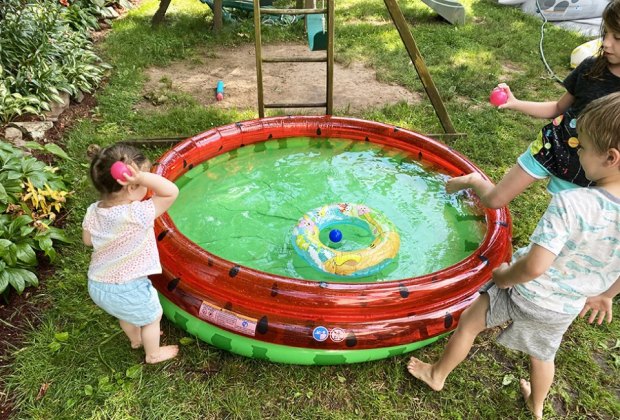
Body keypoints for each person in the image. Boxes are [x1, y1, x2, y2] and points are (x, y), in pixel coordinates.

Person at [407, 92, 620, 419]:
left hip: (524, 290)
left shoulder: (572, 203)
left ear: (611, 157)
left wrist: (503, 276)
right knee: (543, 356)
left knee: (469, 324)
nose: (578, 153)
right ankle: (536, 406)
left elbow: (535, 266)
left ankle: (436, 375)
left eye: (585, 148)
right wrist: (607, 295)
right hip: (566, 306)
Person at [446, 0, 620, 208]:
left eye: (617, 37)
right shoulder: (590, 68)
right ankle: (473, 180)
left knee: (568, 221)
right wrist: (515, 103)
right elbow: (557, 108)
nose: (606, 43)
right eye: (605, 34)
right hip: (552, 145)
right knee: (495, 201)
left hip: (594, 168)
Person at [82, 143, 180, 364]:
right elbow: (171, 191)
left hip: (98, 283)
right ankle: (153, 353)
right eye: (143, 180)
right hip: (128, 287)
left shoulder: (93, 210)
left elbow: (87, 241)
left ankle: (136, 339)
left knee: (125, 314)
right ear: (131, 186)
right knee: (153, 317)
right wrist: (144, 178)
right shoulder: (138, 213)